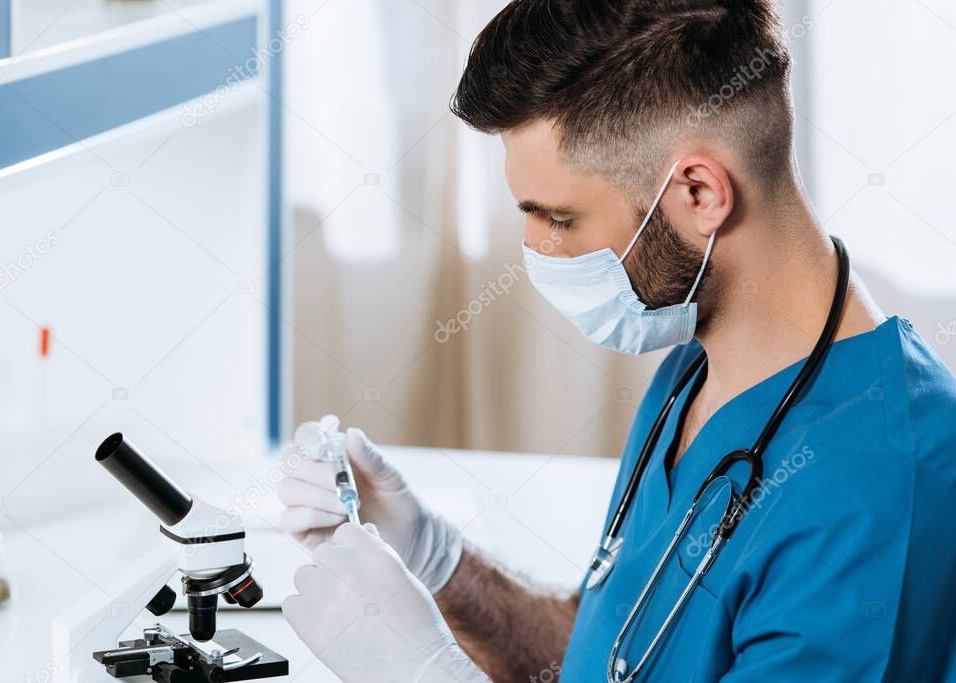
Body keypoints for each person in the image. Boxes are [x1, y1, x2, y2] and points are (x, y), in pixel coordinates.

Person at [277, 1, 956, 681]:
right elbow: (617, 658)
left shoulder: (875, 486)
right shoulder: (696, 364)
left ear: (698, 192)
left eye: (558, 217)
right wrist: (433, 558)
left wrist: (424, 671)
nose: (535, 247)